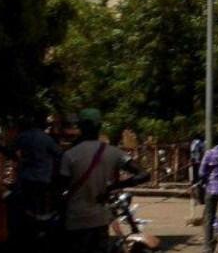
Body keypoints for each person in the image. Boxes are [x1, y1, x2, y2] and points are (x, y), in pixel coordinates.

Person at [58, 108, 149, 253]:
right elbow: (144, 175)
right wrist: (115, 186)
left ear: (80, 127)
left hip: (75, 220)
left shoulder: (69, 155)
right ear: (99, 127)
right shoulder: (114, 152)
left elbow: (60, 187)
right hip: (100, 220)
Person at [13, 115, 61, 244]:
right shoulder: (46, 139)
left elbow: (15, 153)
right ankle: (40, 232)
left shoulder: (22, 137)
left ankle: (29, 232)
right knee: (41, 208)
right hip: (42, 178)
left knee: (27, 207)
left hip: (25, 178)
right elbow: (58, 154)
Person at [190, 135, 206, 204]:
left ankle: (196, 199)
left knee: (195, 182)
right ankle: (200, 199)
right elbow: (201, 152)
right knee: (200, 181)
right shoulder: (199, 143)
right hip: (199, 163)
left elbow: (193, 153)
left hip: (196, 163)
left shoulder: (194, 143)